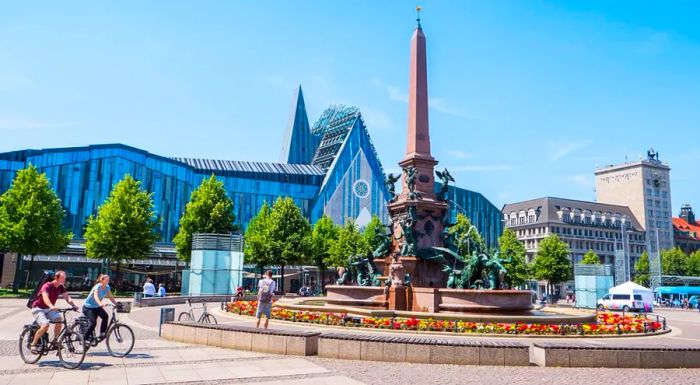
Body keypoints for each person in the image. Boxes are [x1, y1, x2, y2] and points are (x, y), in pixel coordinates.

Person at [29, 270, 77, 353]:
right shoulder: (47, 286)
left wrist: (73, 305)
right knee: (45, 325)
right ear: (56, 278)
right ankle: (33, 344)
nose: (64, 280)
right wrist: (52, 306)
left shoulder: (61, 287)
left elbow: (67, 297)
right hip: (38, 308)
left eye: (64, 278)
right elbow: (45, 298)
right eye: (62, 278)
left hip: (48, 309)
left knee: (59, 319)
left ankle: (55, 341)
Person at [82, 274, 118, 346]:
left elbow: (110, 297)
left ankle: (102, 333)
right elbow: (95, 295)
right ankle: (84, 339)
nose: (108, 281)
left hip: (96, 307)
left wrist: (116, 304)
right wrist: (100, 303)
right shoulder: (97, 286)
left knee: (105, 316)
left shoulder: (107, 287)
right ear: (102, 280)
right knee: (93, 323)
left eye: (108, 279)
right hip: (88, 307)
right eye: (106, 279)